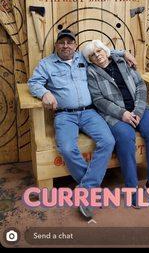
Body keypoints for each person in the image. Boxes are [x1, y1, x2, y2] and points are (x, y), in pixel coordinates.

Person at [28, 29, 137, 219]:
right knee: (67, 148)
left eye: (70, 42)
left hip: (89, 112)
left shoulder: (83, 58)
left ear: (75, 45)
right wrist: (44, 93)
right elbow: (33, 82)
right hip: (64, 115)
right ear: (56, 45)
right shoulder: (47, 64)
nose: (66, 46)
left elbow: (103, 52)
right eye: (62, 42)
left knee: (108, 141)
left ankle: (85, 189)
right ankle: (90, 187)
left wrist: (124, 53)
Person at [82, 39, 149, 208]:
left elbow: (140, 85)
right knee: (125, 138)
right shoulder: (91, 72)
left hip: (137, 108)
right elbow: (98, 100)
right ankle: (132, 188)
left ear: (105, 51)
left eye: (99, 51)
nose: (97, 56)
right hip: (114, 115)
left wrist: (137, 111)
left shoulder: (123, 61)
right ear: (90, 60)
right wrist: (122, 113)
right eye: (93, 55)